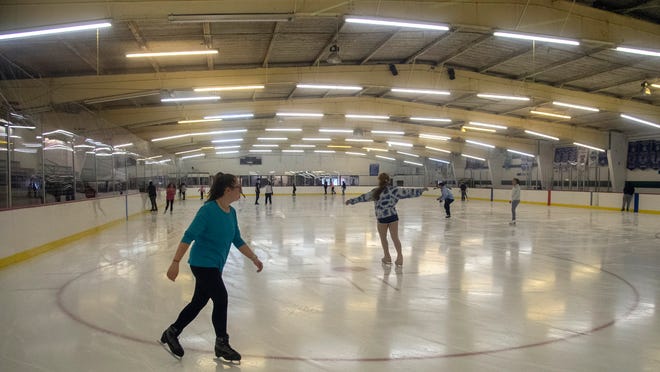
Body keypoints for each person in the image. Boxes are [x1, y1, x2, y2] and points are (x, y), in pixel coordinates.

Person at [160, 172, 263, 361]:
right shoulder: (207, 210)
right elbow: (188, 236)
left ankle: (172, 331)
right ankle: (221, 343)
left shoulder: (231, 213)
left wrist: (254, 258)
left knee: (199, 302)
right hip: (202, 263)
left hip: (215, 265)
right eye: (238, 187)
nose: (241, 190)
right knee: (221, 298)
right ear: (228, 190)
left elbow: (237, 239)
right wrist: (175, 263)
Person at [345, 173, 427, 268]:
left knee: (383, 239)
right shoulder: (394, 190)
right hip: (393, 216)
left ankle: (387, 257)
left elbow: (363, 198)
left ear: (379, 180)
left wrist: (351, 201)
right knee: (395, 238)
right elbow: (408, 192)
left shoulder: (375, 192)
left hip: (382, 218)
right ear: (388, 180)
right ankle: (400, 257)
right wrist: (421, 190)